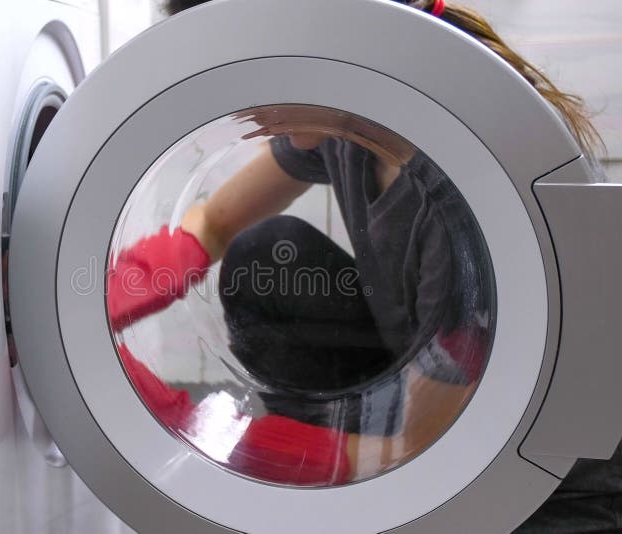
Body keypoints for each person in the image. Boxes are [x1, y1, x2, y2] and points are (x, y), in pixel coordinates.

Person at [107, 0, 612, 530]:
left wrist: (197, 431)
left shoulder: (473, 189)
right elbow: (212, 223)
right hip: (429, 396)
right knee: (268, 254)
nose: (240, 103)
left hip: (535, 484)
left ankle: (327, 479)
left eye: (247, 62)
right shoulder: (350, 109)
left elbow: (422, 452)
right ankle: (328, 473)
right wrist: (100, 304)